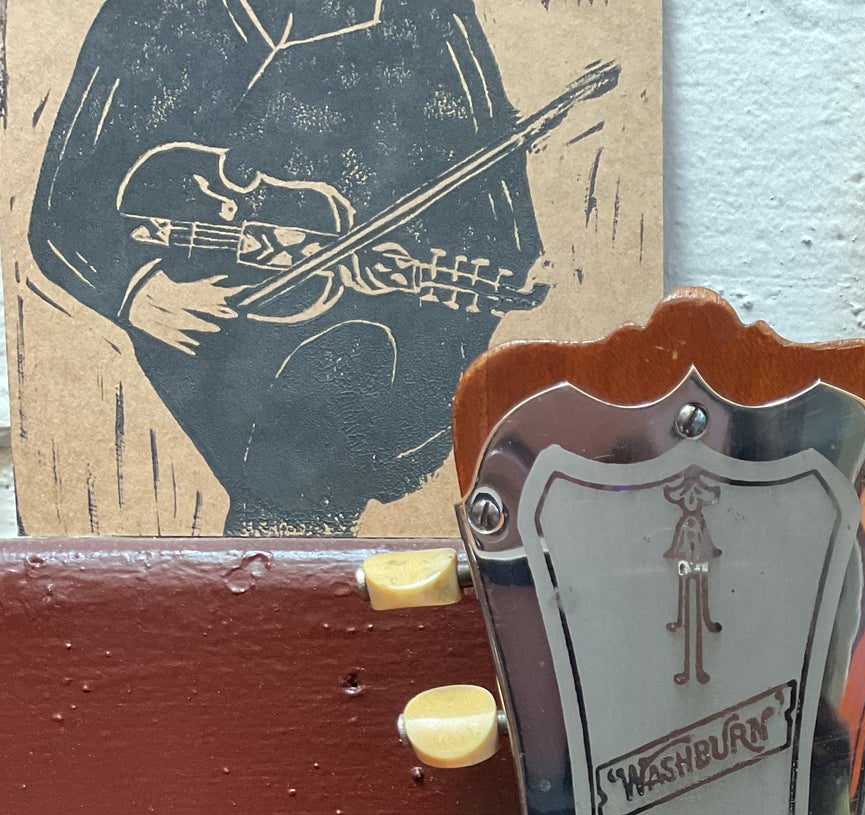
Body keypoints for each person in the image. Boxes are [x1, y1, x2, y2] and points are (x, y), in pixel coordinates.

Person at [30, 0, 548, 533]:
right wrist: (133, 289)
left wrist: (402, 265)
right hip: (219, 333)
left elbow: (501, 222)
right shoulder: (152, 15)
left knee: (337, 397)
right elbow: (63, 211)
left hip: (394, 337)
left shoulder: (426, 17)